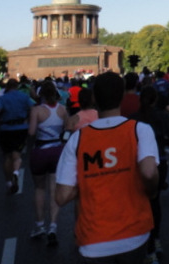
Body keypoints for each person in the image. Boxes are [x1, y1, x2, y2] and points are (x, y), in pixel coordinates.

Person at [55, 71, 159, 263]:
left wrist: (91, 177)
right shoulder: (140, 130)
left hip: (93, 237)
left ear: (94, 98)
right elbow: (149, 171)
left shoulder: (78, 139)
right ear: (121, 96)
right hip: (135, 233)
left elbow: (61, 197)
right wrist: (152, 190)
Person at [132, 85, 169, 263]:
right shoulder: (162, 116)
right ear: (155, 100)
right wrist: (162, 142)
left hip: (138, 164)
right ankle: (155, 238)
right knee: (154, 201)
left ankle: (143, 240)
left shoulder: (133, 119)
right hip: (159, 161)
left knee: (139, 201)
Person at [27, 80, 68, 245]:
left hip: (40, 151)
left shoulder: (36, 110)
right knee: (53, 189)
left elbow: (31, 133)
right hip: (57, 151)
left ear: (41, 94)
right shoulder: (63, 110)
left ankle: (39, 226)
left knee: (39, 188)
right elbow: (67, 130)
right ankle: (53, 226)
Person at [0, 78, 36, 194]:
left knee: (7, 156)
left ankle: (8, 182)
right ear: (17, 86)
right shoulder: (24, 96)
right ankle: (16, 172)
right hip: (20, 128)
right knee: (17, 155)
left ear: (7, 87)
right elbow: (32, 107)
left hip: (6, 128)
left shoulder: (2, 98)